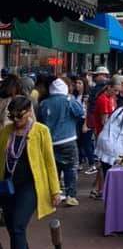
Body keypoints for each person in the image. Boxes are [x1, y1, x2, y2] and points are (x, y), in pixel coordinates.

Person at [0, 95, 61, 249]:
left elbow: (49, 162)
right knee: (12, 228)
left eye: (20, 116)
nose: (16, 120)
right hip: (8, 186)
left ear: (29, 112)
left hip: (30, 187)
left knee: (18, 225)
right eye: (12, 116)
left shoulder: (41, 131)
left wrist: (55, 190)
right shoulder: (6, 131)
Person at [37, 77, 83, 207]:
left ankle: (54, 195)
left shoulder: (44, 103)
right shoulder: (69, 100)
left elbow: (40, 120)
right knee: (71, 168)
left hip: (50, 141)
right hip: (68, 139)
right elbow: (80, 113)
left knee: (53, 169)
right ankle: (70, 195)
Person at [71, 76, 95, 174]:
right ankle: (80, 163)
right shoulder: (75, 96)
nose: (77, 85)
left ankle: (92, 164)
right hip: (77, 121)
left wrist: (86, 124)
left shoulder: (87, 97)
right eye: (76, 83)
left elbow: (88, 111)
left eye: (80, 83)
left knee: (87, 143)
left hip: (86, 121)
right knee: (78, 142)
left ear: (84, 85)